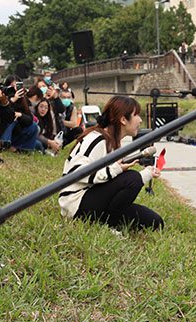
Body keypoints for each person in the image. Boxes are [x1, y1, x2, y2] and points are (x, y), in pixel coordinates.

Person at [58, 96, 163, 230]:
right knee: (132, 178)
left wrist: (148, 173)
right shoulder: (97, 139)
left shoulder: (113, 142)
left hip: (97, 200)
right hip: (77, 206)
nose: (140, 120)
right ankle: (110, 225)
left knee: (155, 222)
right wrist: (116, 169)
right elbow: (76, 173)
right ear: (123, 119)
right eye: (136, 115)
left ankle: (108, 219)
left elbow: (109, 178)